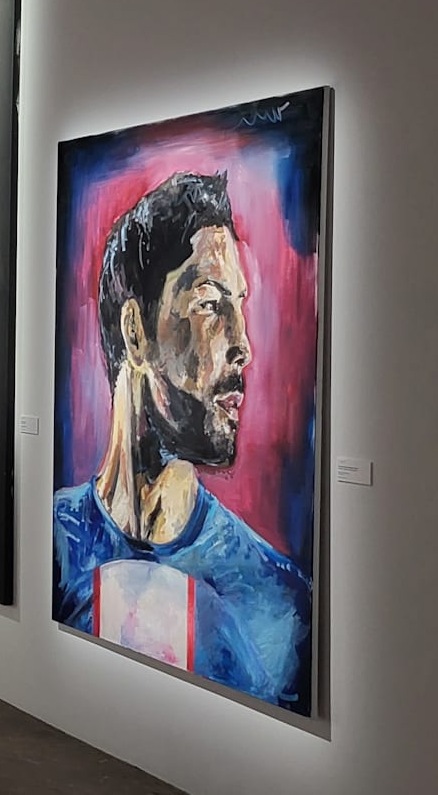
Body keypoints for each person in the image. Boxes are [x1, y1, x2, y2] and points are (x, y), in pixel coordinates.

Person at [52, 172, 310, 710]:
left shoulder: (280, 606)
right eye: (212, 304)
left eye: (240, 305)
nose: (244, 346)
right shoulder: (47, 545)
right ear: (135, 333)